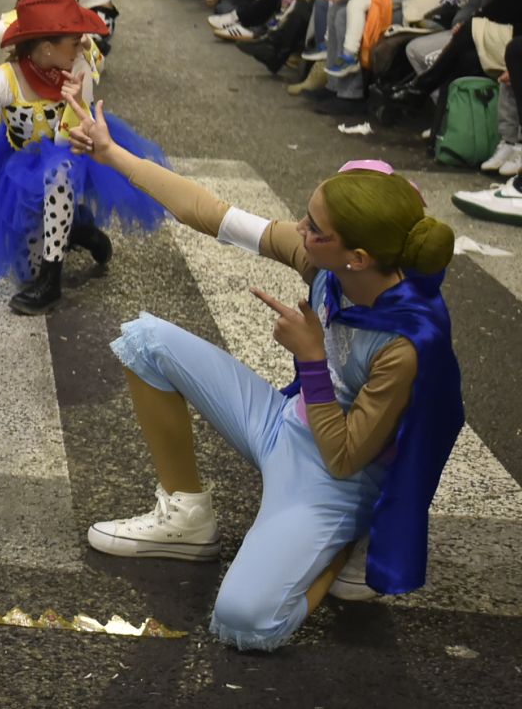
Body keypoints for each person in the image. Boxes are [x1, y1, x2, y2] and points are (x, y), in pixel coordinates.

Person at [70, 133, 463, 653]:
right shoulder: (326, 264)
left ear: (359, 257)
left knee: (246, 622)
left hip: (339, 475)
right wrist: (111, 154)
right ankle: (188, 516)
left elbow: (345, 458)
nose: (300, 232)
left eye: (314, 228)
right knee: (146, 342)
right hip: (286, 422)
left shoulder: (404, 343)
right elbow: (212, 214)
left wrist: (313, 360)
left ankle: (339, 546)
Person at [0, 0, 166, 315]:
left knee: (57, 173)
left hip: (71, 155)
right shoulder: (2, 82)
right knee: (24, 272)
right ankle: (79, 229)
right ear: (47, 46)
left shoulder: (79, 68)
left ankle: (51, 281)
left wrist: (75, 105)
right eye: (74, 41)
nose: (84, 45)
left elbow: (69, 144)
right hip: (19, 160)